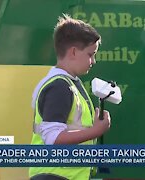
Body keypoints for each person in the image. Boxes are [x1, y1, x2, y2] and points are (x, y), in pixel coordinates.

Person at [29, 14, 111, 180]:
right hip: (55, 176)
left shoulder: (67, 83)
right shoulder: (60, 87)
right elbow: (53, 138)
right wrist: (95, 131)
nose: (93, 61)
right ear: (73, 52)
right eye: (90, 54)